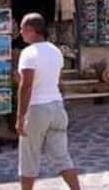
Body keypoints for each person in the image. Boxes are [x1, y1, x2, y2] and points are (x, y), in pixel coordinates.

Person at [16, 13, 80, 190]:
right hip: (56, 106)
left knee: (28, 159)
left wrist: (20, 117)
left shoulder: (28, 53)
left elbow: (26, 86)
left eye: (22, 29)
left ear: (31, 30)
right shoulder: (55, 51)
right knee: (62, 157)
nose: (20, 32)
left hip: (37, 108)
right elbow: (58, 82)